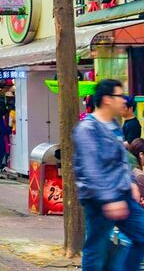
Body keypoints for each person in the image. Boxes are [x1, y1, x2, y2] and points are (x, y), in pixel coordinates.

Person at [74, 79, 144, 270]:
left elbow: (121, 160)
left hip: (122, 194)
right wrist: (109, 199)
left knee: (141, 236)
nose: (124, 100)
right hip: (99, 199)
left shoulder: (114, 125)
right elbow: (90, 169)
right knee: (96, 250)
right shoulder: (88, 128)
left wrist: (131, 183)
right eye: (119, 95)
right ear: (107, 99)